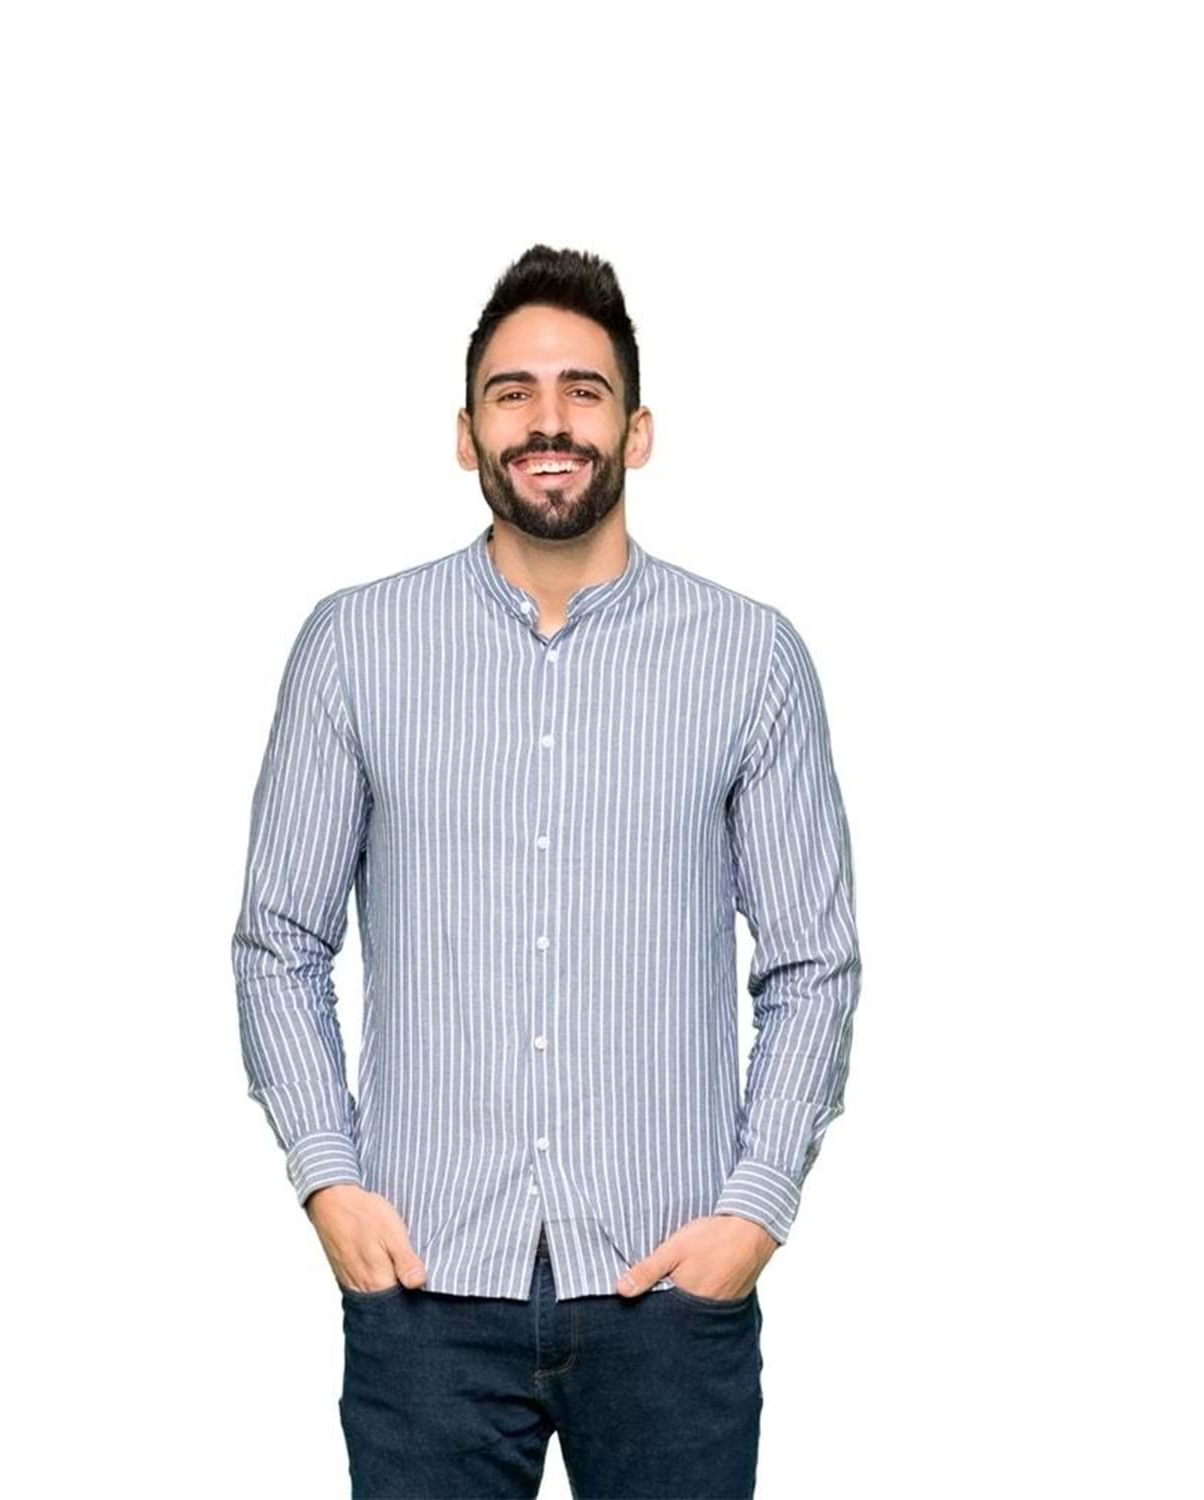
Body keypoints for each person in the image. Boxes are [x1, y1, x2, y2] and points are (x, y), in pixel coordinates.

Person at [232, 244, 862, 1498]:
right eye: (512, 393)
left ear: (637, 430)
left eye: (584, 390)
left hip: (669, 1294)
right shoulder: (356, 646)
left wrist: (754, 1213)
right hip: (424, 1294)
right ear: (466, 434)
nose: (549, 420)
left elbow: (812, 964)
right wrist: (327, 1180)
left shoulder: (749, 659)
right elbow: (278, 942)